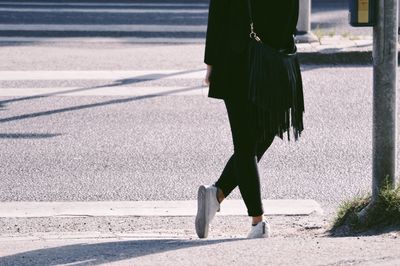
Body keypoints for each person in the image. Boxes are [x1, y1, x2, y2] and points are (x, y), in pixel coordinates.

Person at [195, 0, 302, 239]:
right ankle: (258, 221)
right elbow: (220, 10)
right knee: (245, 142)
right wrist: (211, 61)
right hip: (238, 58)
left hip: (274, 56)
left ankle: (216, 195)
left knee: (264, 134)